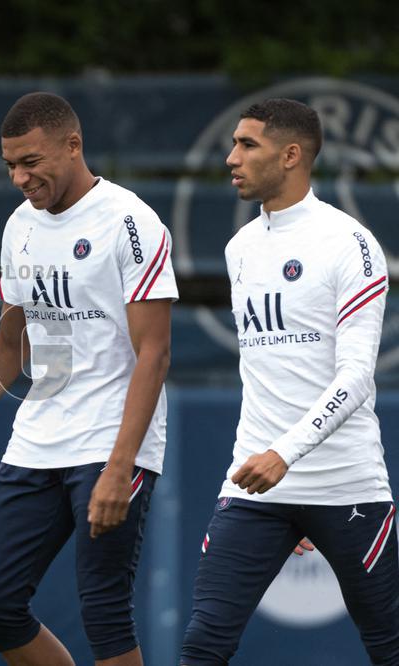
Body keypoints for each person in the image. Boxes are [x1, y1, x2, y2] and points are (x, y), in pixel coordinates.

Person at [0, 92, 177, 666]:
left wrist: (120, 466)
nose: (19, 177)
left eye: (30, 161)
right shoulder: (20, 227)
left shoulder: (130, 222)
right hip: (40, 436)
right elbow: (13, 342)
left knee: (104, 611)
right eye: (10, 164)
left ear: (73, 145)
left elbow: (155, 354)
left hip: (112, 441)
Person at [180, 98, 399, 665]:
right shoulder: (239, 248)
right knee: (203, 645)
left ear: (292, 155)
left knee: (389, 647)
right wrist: (274, 466)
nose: (231, 158)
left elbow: (355, 379)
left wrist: (287, 455)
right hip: (256, 488)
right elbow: (266, 372)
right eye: (232, 144)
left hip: (347, 487)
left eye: (247, 145)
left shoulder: (350, 245)